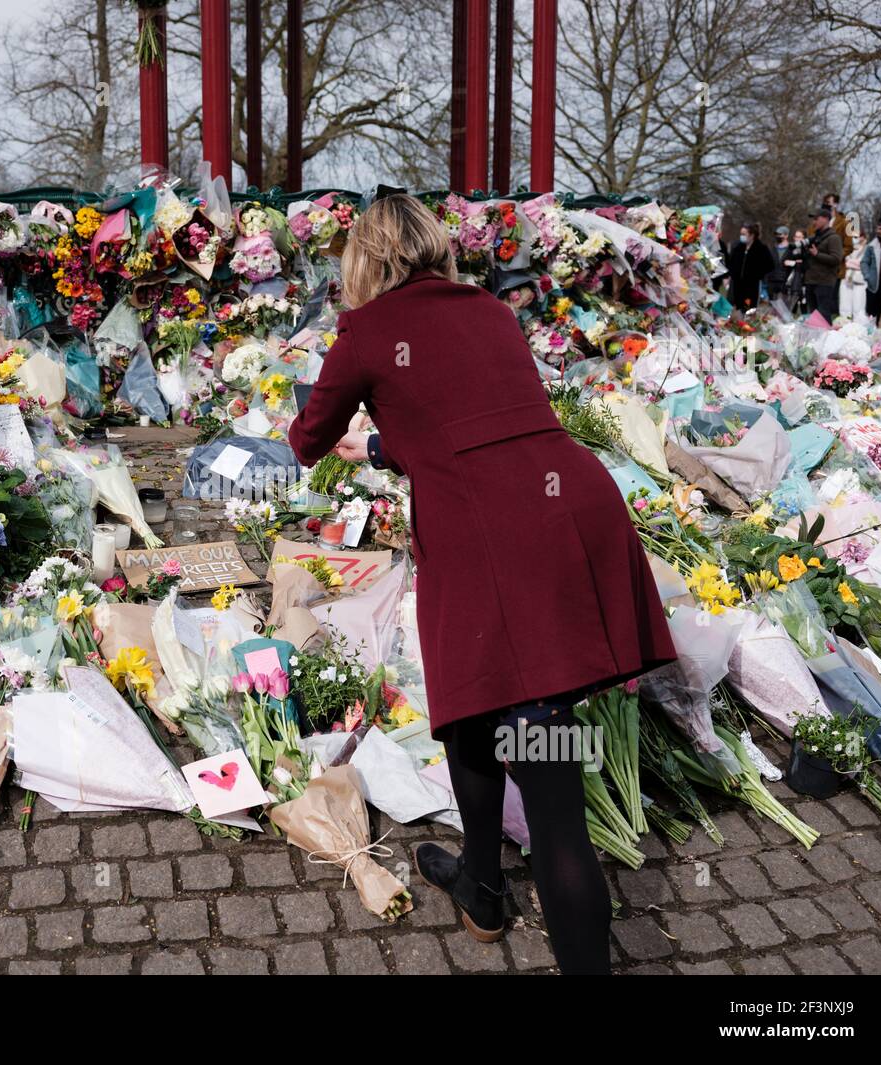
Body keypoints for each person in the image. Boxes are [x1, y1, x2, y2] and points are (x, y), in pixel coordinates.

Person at [286, 193, 676, 976]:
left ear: (363, 259)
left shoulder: (366, 331)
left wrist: (355, 425)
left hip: (502, 544)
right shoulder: (491, 312)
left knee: (553, 794)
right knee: (470, 712)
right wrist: (392, 446)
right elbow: (475, 421)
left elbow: (305, 441)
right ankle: (484, 888)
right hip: (572, 505)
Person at [803, 206, 845, 320]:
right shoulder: (814, 238)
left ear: (826, 219)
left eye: (816, 219)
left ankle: (826, 337)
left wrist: (817, 254)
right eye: (813, 219)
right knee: (813, 317)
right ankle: (815, 338)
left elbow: (837, 259)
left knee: (823, 317)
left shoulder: (834, 238)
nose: (814, 222)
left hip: (824, 283)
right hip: (811, 281)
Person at [725, 221, 774, 310]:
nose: (742, 236)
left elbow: (770, 265)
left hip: (751, 286)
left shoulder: (761, 249)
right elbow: (731, 264)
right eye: (741, 234)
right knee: (733, 308)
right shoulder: (738, 247)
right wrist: (729, 276)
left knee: (747, 308)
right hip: (736, 285)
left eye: (744, 234)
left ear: (752, 235)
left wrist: (758, 274)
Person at [841, 233, 869, 322]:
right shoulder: (847, 248)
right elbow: (844, 261)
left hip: (860, 279)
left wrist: (851, 263)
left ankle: (859, 328)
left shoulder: (868, 248)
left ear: (863, 237)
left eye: (857, 236)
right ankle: (845, 326)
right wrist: (855, 263)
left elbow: (864, 264)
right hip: (847, 277)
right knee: (845, 305)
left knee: (859, 306)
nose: (855, 239)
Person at [765, 225, 792, 305]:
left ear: (786, 235)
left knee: (782, 306)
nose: (778, 236)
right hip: (772, 281)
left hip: (785, 282)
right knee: (772, 306)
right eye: (777, 234)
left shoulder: (791, 250)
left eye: (780, 234)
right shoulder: (772, 249)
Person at [785, 228, 809, 313]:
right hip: (791, 281)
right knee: (791, 306)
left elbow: (807, 264)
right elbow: (785, 262)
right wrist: (796, 263)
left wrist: (794, 263)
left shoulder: (807, 249)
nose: (797, 239)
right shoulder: (791, 248)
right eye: (796, 237)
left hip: (804, 281)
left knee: (804, 306)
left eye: (800, 237)